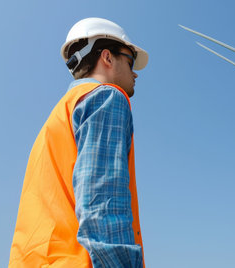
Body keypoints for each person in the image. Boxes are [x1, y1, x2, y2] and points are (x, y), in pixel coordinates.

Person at [9, 17, 148, 268]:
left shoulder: (58, 117)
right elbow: (102, 207)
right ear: (107, 57)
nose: (135, 72)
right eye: (129, 61)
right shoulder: (107, 97)